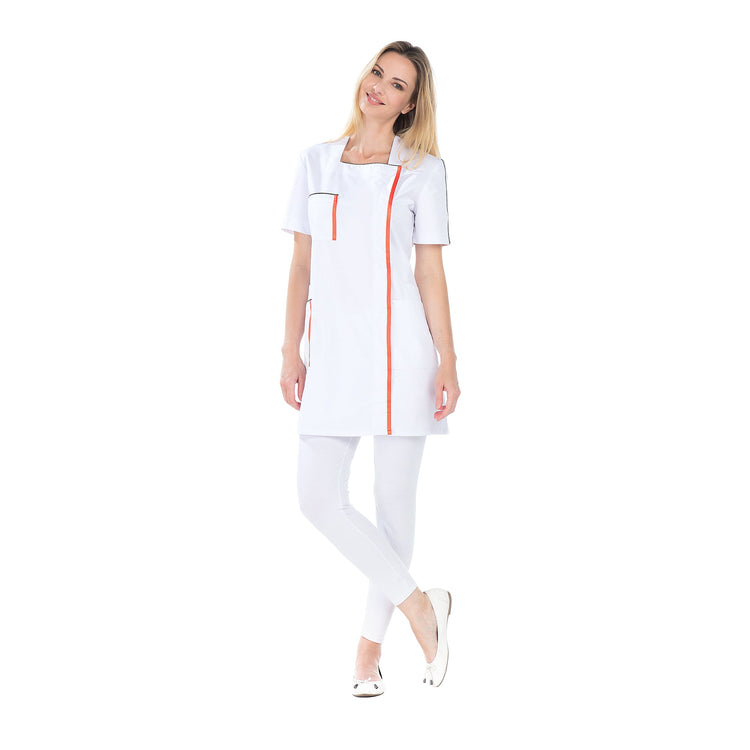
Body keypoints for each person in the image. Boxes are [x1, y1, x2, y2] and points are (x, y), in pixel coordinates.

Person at [279, 41, 460, 697]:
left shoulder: (423, 171)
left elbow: (429, 270)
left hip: (400, 355)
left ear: (410, 104)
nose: (379, 86)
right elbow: (302, 264)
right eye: (378, 72)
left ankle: (367, 653)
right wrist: (289, 349)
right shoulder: (315, 161)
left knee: (392, 511)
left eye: (397, 83)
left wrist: (448, 359)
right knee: (316, 498)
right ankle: (421, 607)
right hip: (330, 354)